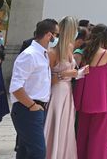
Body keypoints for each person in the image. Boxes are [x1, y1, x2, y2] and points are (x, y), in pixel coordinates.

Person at [9, 19, 58, 159]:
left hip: (36, 108)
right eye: (56, 34)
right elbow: (16, 87)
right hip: (28, 108)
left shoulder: (42, 54)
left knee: (25, 151)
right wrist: (32, 105)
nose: (57, 39)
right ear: (49, 35)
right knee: (38, 152)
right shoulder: (29, 55)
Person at [74, 24, 107, 159]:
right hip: (102, 99)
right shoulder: (106, 53)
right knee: (100, 136)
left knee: (83, 133)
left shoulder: (84, 51)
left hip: (84, 99)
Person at [44, 16, 81, 159]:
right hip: (57, 91)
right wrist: (64, 74)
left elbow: (72, 71)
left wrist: (78, 73)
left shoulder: (71, 48)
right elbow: (46, 79)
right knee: (56, 124)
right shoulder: (53, 52)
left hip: (67, 91)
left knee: (66, 125)